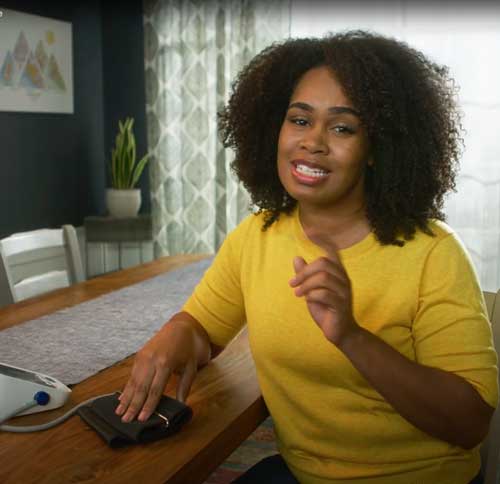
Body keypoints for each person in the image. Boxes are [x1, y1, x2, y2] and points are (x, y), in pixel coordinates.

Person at [115, 31, 498, 484]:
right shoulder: (256, 237)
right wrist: (179, 329)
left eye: (342, 128)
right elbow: (204, 330)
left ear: (377, 148)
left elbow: (469, 423)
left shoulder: (433, 252)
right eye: (299, 120)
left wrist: (352, 337)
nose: (312, 142)